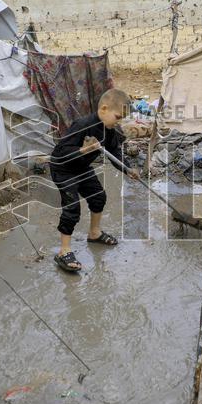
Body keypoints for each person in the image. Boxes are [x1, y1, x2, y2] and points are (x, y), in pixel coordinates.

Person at [49, 88, 139, 273]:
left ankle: (94, 233)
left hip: (81, 168)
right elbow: (61, 153)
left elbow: (114, 152)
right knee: (72, 208)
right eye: (118, 117)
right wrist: (83, 150)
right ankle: (64, 251)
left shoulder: (109, 129)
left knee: (98, 197)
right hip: (63, 169)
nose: (119, 122)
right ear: (104, 109)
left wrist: (127, 168)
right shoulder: (83, 124)